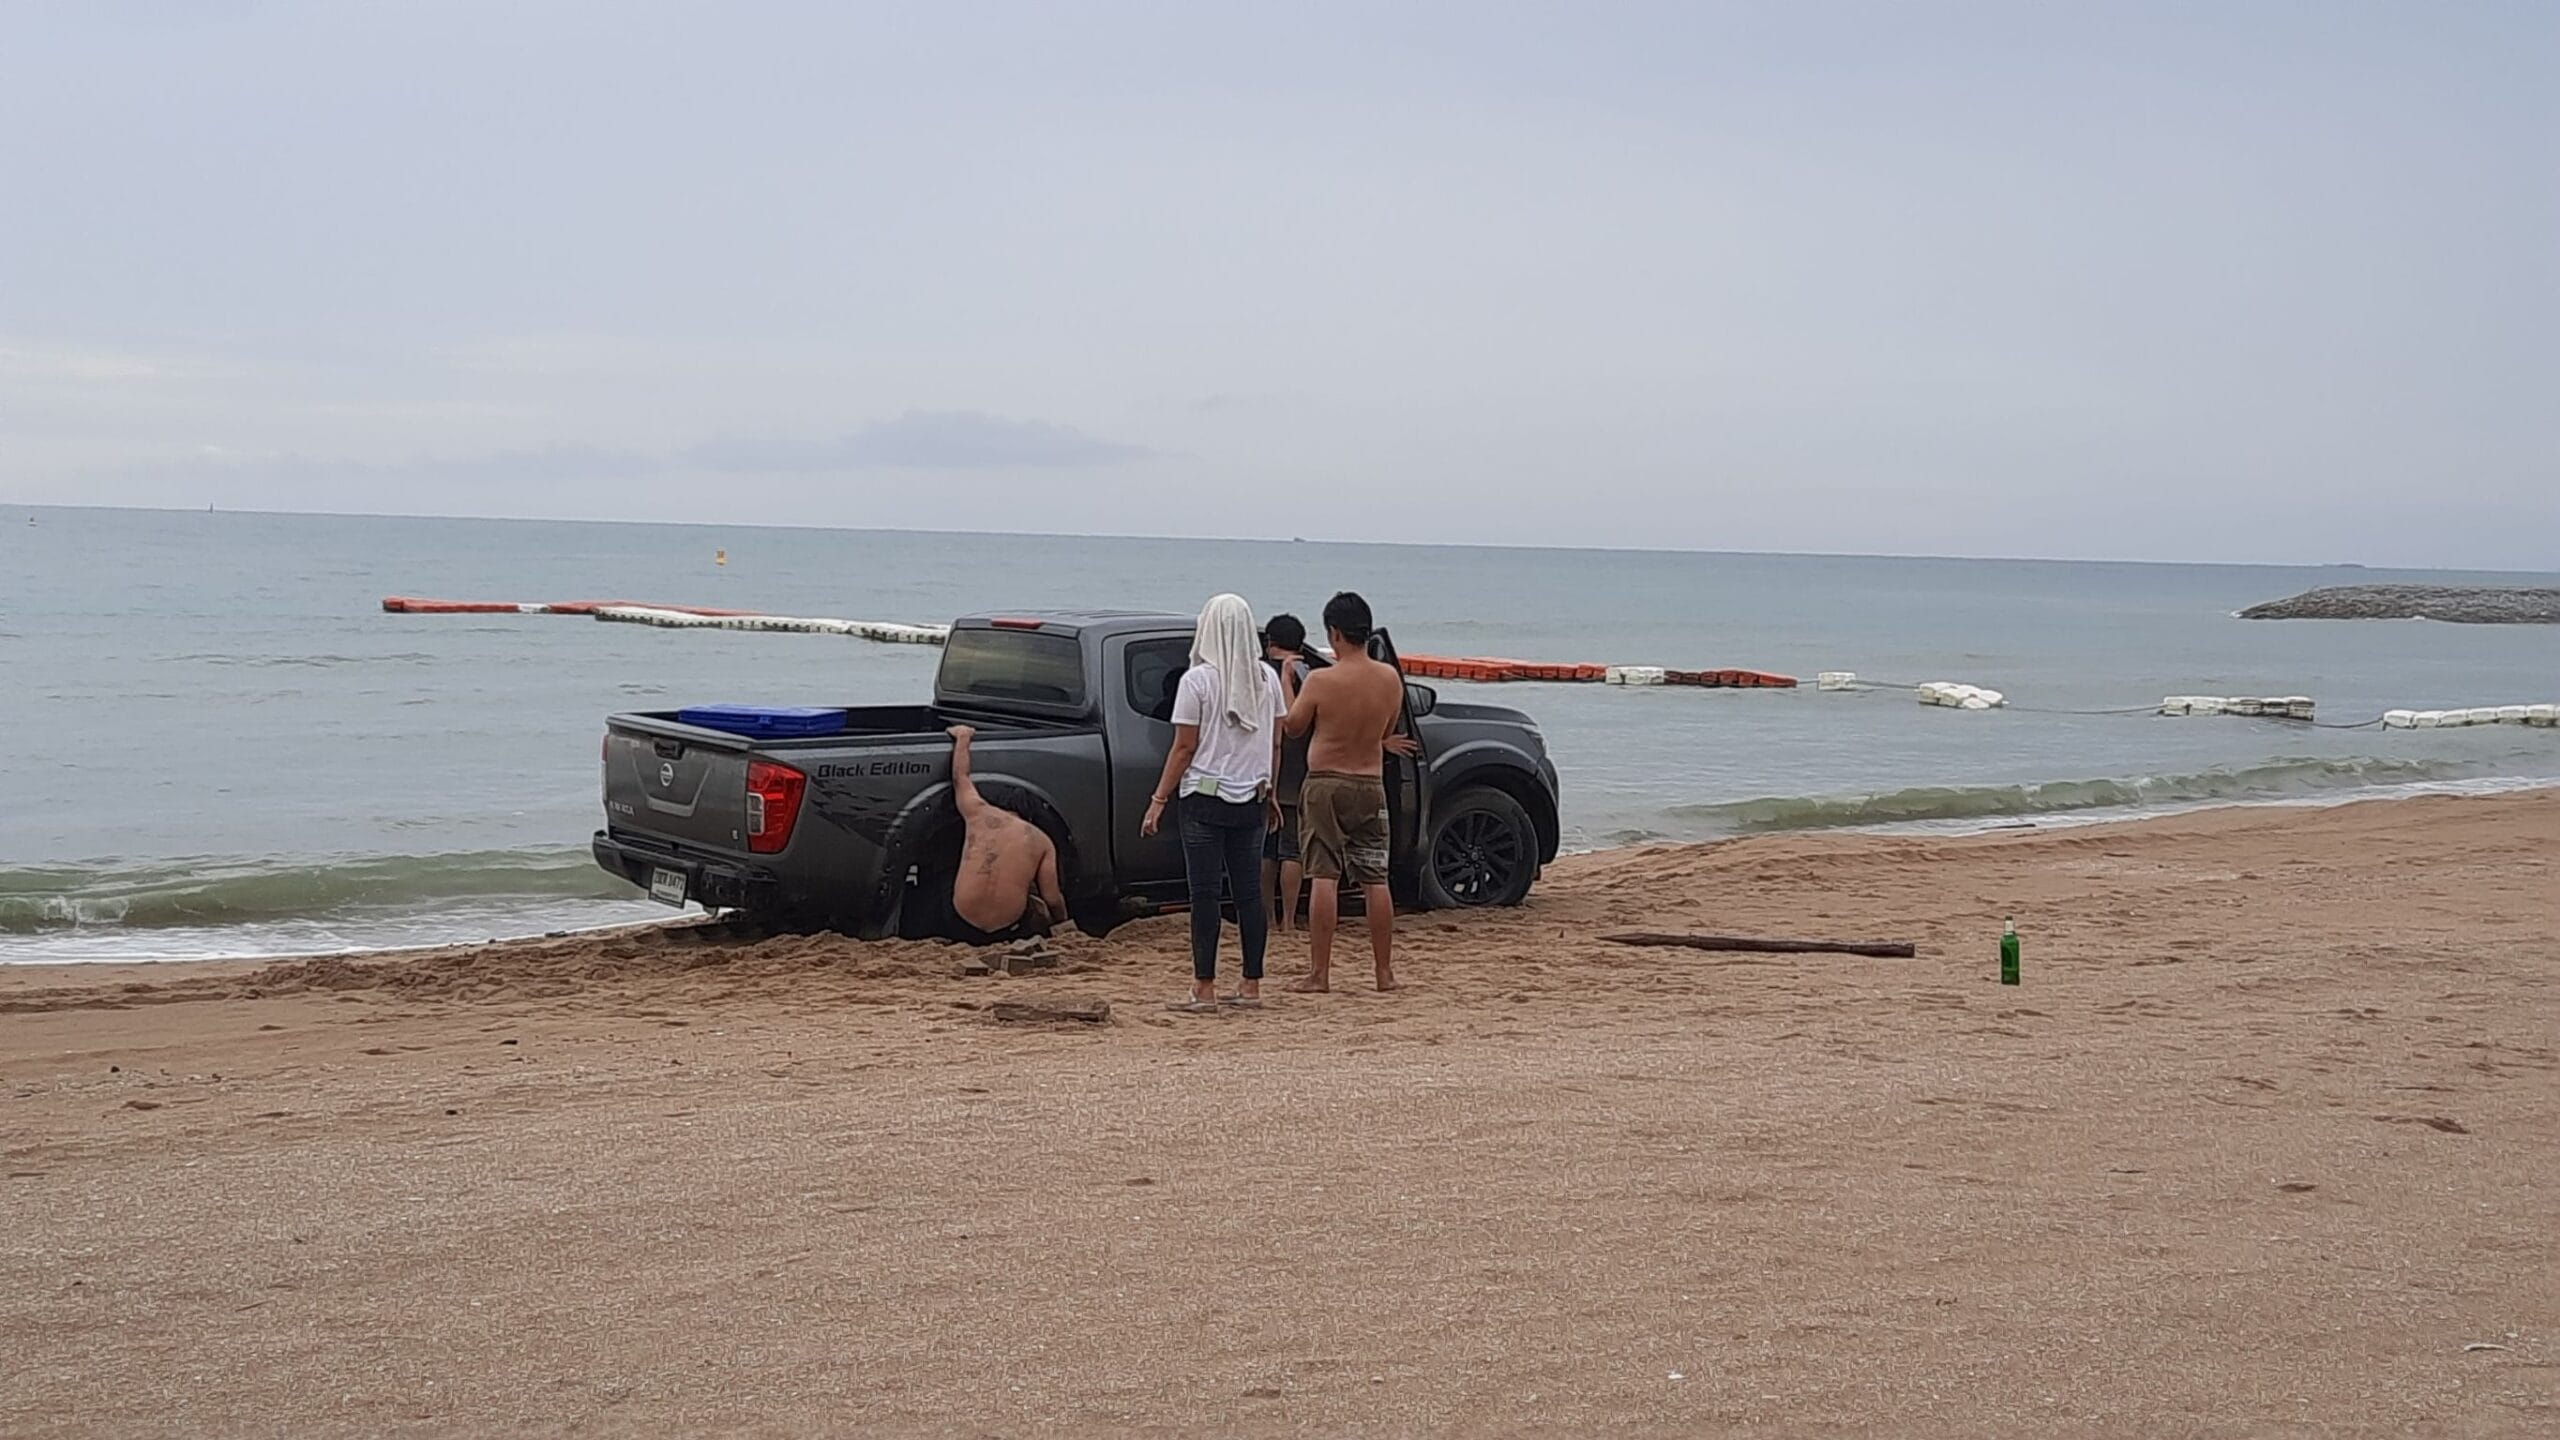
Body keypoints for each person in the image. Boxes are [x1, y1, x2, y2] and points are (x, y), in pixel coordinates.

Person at [1141, 594, 1286, 1010]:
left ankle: (1204, 987)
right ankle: (1251, 984)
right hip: (1253, 798)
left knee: (1204, 894)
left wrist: (1158, 799)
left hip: (1204, 799)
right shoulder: (1266, 679)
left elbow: (1184, 747)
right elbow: (1274, 741)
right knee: (1249, 895)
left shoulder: (1198, 681)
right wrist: (1271, 791)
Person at [1282, 591, 1414, 993]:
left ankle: (1320, 974)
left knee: (1324, 874)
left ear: (1334, 633)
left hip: (1326, 783)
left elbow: (1293, 726)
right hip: (1370, 783)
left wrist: (1288, 682)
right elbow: (1388, 727)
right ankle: (1384, 973)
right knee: (1376, 877)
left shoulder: (1322, 680)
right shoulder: (1390, 678)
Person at [945, 725, 1066, 940]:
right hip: (1007, 929)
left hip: (960, 921)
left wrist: (963, 737)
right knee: (1035, 903)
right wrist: (1062, 924)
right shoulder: (1042, 841)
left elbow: (960, 777)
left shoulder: (978, 813)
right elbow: (1053, 898)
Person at [1260, 613, 1316, 934]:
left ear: (1271, 642)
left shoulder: (1257, 671)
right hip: (1298, 769)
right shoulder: (1305, 672)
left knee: (1266, 850)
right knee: (1292, 850)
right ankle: (1290, 919)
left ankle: (1267, 916)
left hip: (1262, 766)